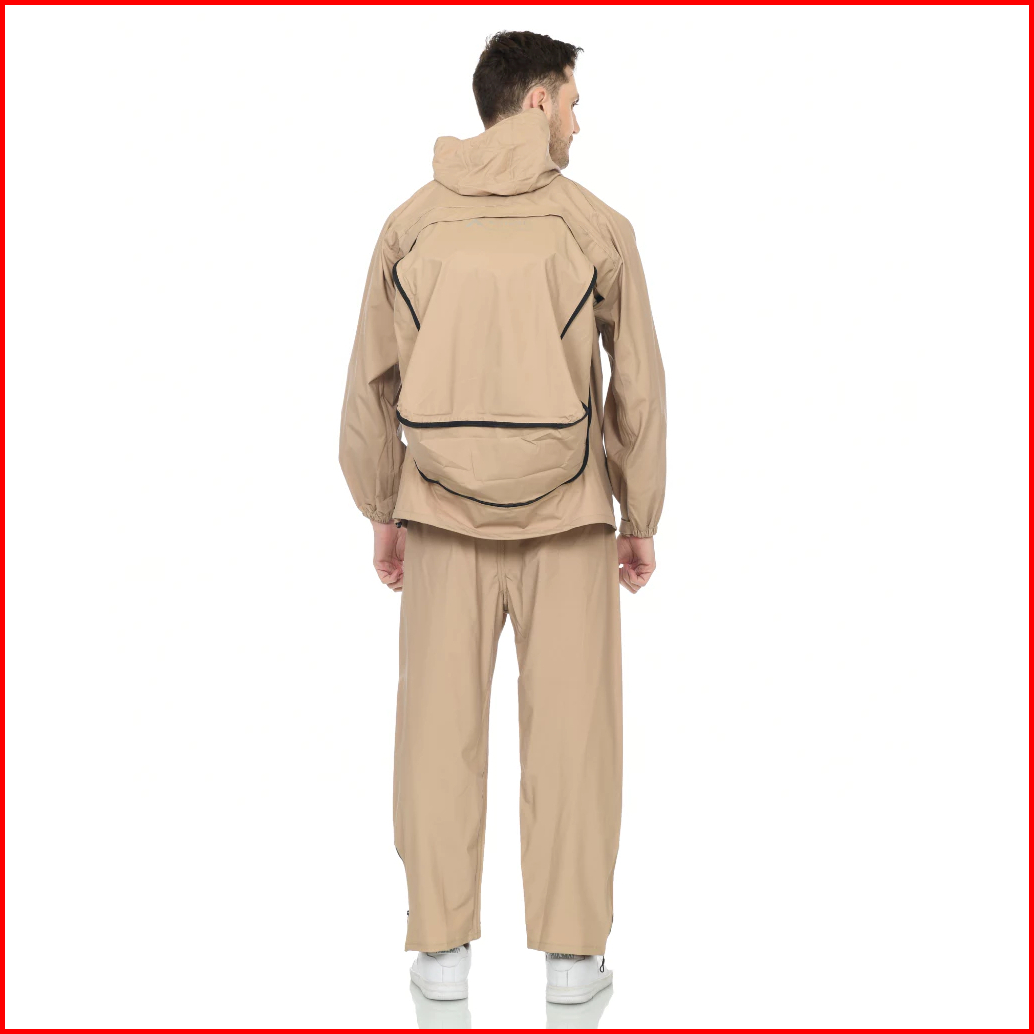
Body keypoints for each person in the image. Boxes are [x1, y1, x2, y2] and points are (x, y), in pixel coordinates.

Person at [339, 29, 666, 1006]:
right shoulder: (597, 226)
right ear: (535, 102)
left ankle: (440, 954)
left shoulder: (410, 225)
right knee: (573, 739)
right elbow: (637, 386)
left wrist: (382, 505)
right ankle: (572, 963)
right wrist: (639, 514)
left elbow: (370, 383)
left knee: (436, 735)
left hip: (439, 516)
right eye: (571, 102)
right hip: (569, 517)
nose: (576, 122)